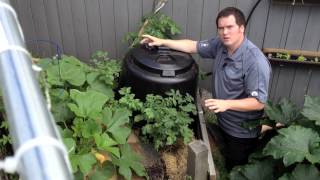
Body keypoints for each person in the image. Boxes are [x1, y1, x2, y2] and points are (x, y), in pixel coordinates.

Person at [140, 7, 271, 170]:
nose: (225, 32)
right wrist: (162, 41)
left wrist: (226, 104)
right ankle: (262, 130)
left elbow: (258, 102)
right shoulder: (220, 44)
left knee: (235, 168)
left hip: (241, 131)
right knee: (222, 150)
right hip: (224, 120)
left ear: (242, 28)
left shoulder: (255, 62)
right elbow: (192, 46)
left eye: (230, 27)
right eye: (221, 28)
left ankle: (263, 133)